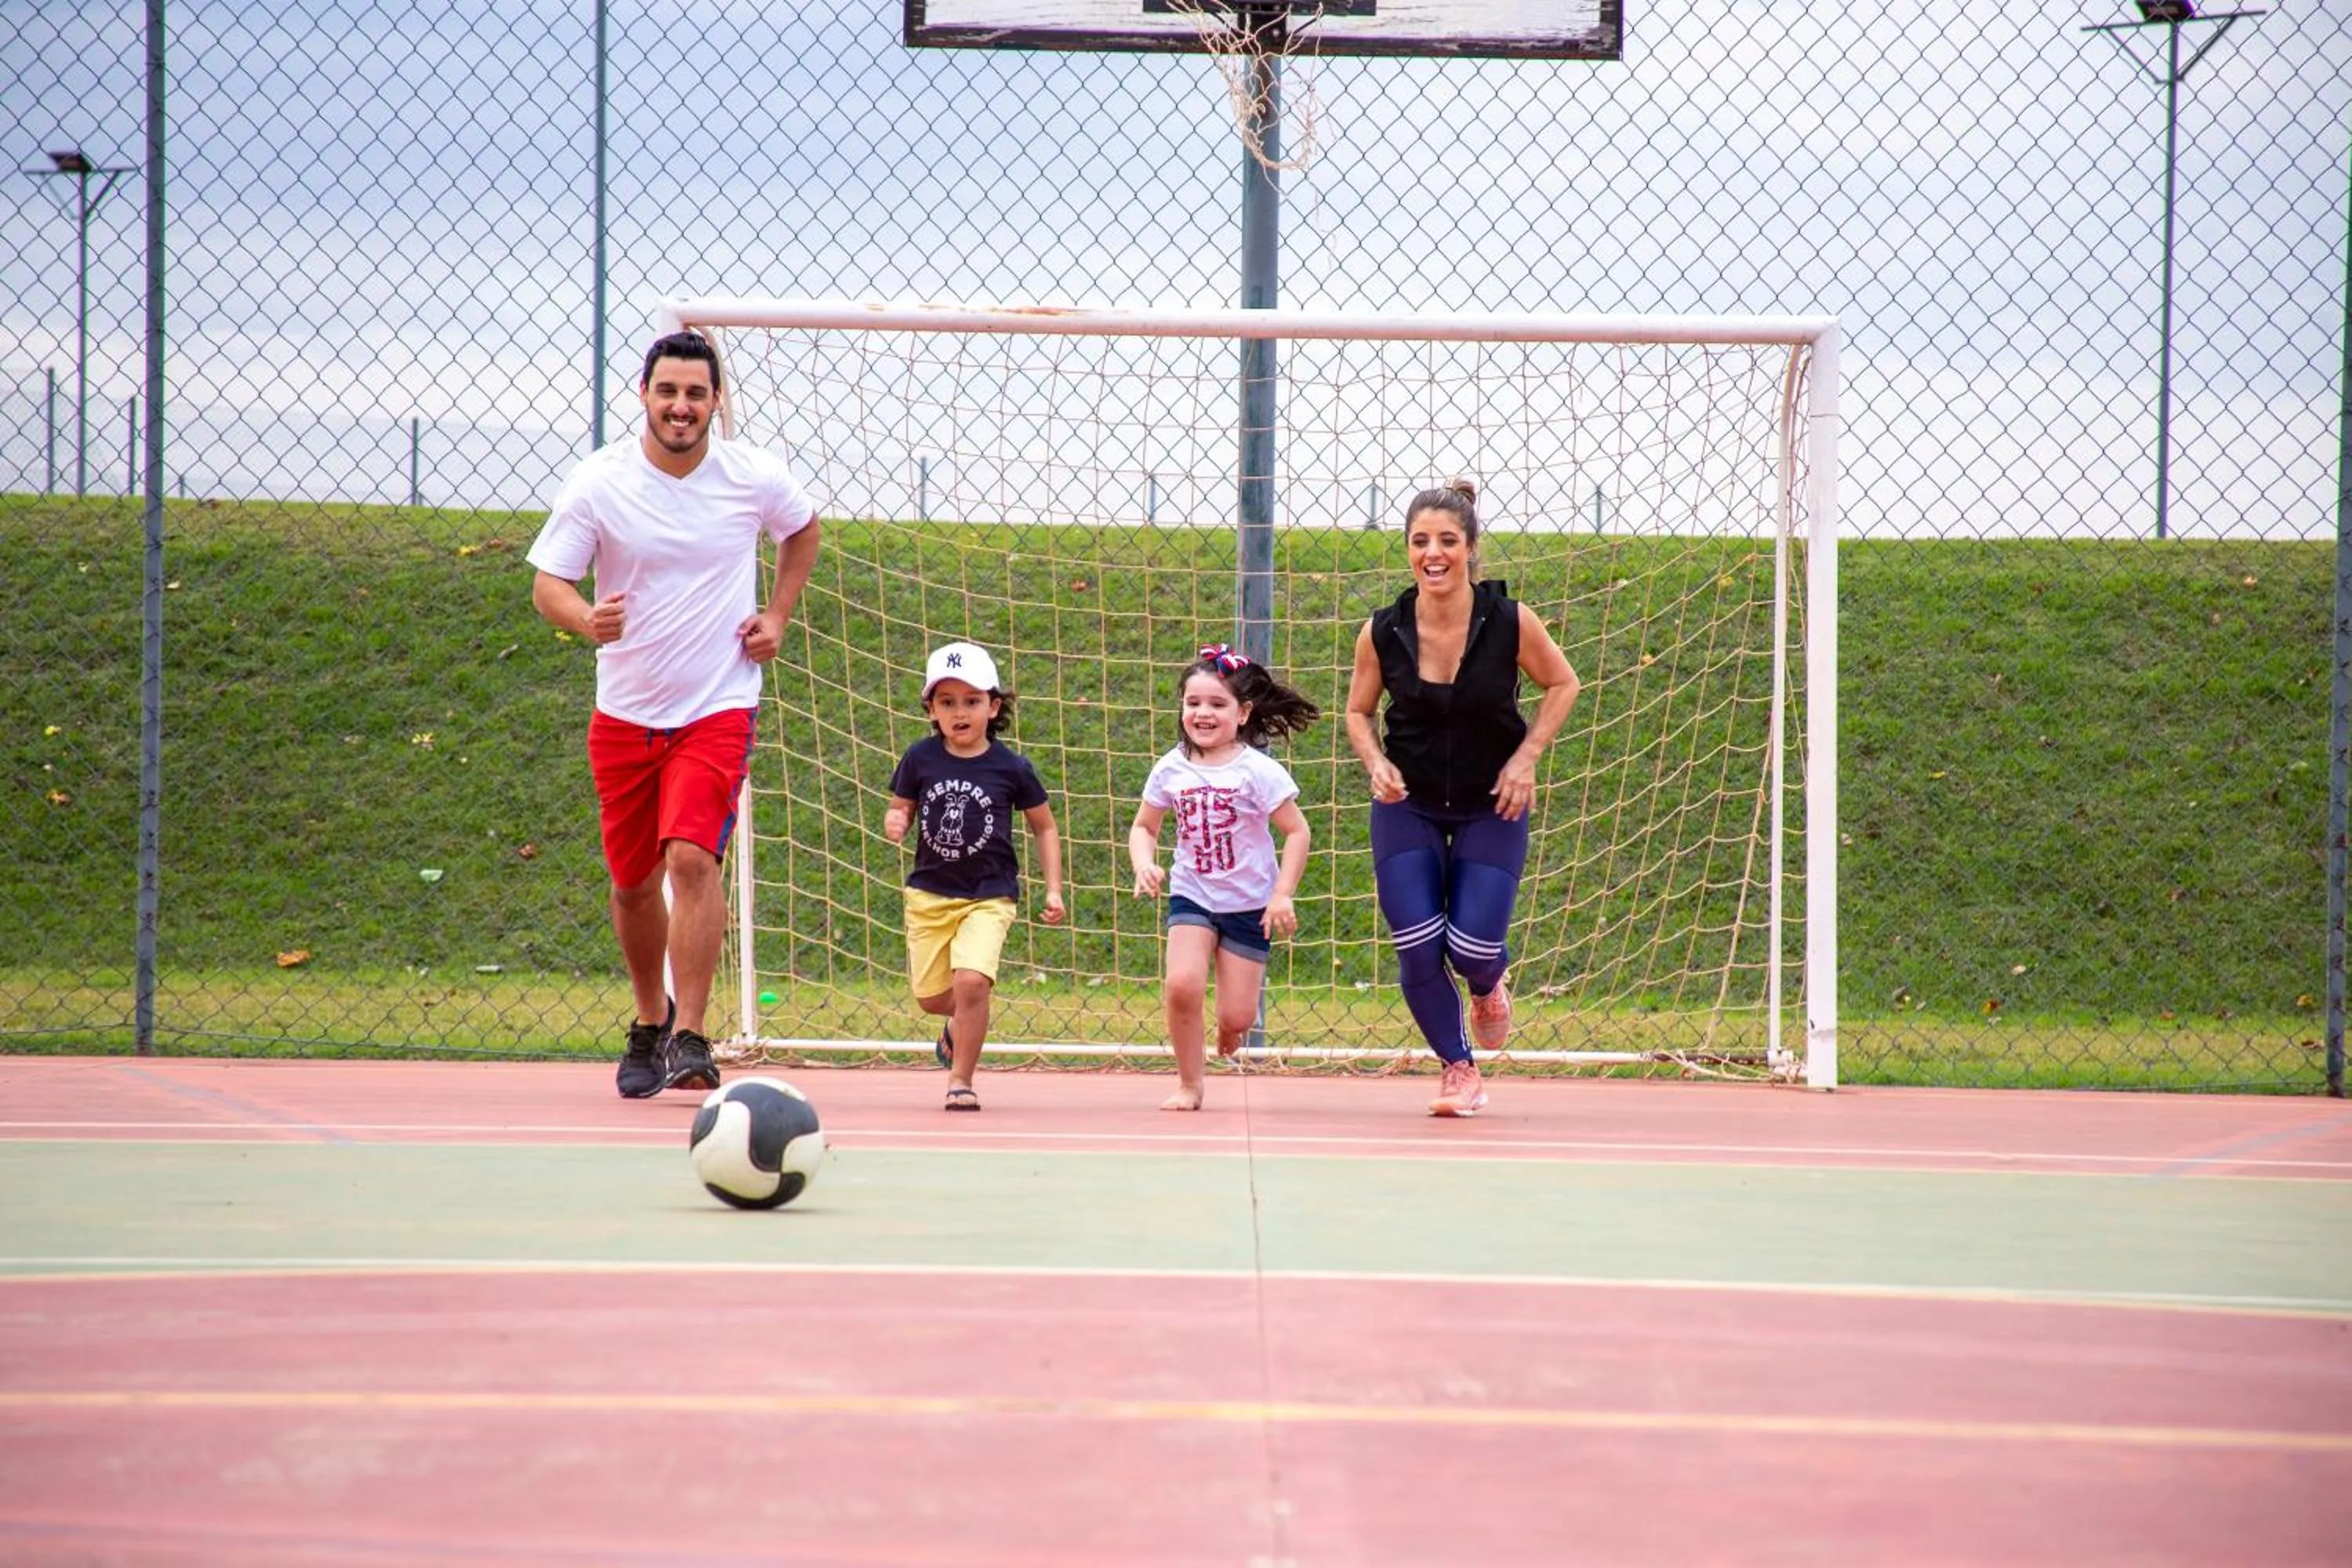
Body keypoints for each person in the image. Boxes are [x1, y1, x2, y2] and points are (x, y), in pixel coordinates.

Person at [528, 328, 821, 1099]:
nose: (682, 406)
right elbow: (548, 583)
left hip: (718, 703)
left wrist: (779, 614)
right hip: (625, 711)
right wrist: (585, 617)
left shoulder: (750, 475)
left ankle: (693, 1034)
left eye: (696, 393)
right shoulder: (600, 481)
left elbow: (803, 528)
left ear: (715, 401)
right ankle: (649, 1020)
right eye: (669, 392)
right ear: (644, 396)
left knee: (692, 857)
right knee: (632, 882)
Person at [1343, 480, 1580, 1116]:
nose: (1434, 553)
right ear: (1408, 553)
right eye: (1421, 542)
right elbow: (1358, 712)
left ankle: (1487, 985)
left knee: (1473, 947)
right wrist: (1375, 761)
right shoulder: (1383, 631)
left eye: (1448, 540)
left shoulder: (1510, 622)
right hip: (1408, 804)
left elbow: (1563, 682)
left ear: (1471, 548)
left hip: (1490, 802)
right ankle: (1458, 1069)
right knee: (1418, 944)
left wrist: (1526, 759)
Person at [1128, 643, 1319, 1112]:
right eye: (1193, 703)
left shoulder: (1257, 771)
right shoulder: (1171, 767)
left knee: (1238, 1015)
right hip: (1192, 894)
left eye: (1217, 704)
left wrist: (1282, 895)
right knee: (1182, 985)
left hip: (1250, 903)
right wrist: (1144, 863)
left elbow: (1297, 832)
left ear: (1243, 712)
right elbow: (1143, 826)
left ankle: (1229, 1027)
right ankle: (1190, 1084)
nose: (1203, 713)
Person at [884, 641, 1066, 1111]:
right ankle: (958, 1025)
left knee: (971, 984)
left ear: (994, 705)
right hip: (929, 894)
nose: (960, 712)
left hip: (990, 894)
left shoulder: (1011, 767)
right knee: (933, 999)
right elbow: (901, 805)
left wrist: (1053, 890)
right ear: (931, 709)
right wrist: (897, 820)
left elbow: (1044, 826)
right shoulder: (920, 759)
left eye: (971, 701)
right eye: (947, 703)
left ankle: (960, 1079)